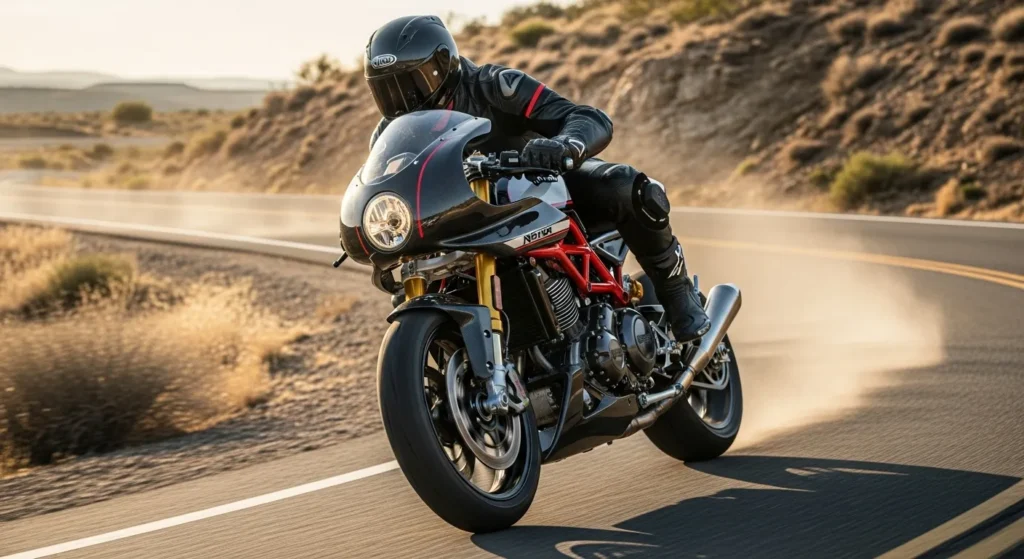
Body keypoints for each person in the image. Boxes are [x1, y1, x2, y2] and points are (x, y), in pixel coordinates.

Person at [363, 15, 709, 342]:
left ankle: (678, 293)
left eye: (412, 82)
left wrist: (563, 145)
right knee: (406, 298)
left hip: (540, 189)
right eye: (388, 89)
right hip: (461, 216)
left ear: (444, 65)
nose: (402, 98)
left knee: (625, 186)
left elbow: (583, 116)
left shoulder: (493, 85)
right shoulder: (389, 136)